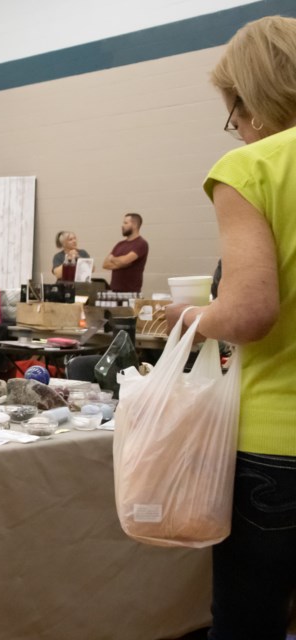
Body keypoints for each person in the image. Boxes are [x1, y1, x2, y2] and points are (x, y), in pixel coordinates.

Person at [165, 16, 296, 640]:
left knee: (249, 622)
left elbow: (249, 313)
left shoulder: (252, 166)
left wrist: (190, 315)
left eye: (232, 110)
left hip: (279, 443)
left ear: (253, 100)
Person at [102, 213, 149, 293]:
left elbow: (125, 260)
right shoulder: (119, 244)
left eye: (125, 223)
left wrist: (113, 259)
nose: (122, 226)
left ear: (134, 225)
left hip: (131, 293)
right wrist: (122, 264)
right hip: (114, 291)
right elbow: (105, 264)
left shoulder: (141, 243)